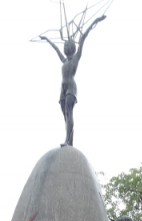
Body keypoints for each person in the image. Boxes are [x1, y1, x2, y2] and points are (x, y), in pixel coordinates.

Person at [39, 14, 105, 146]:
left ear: (72, 48)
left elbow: (83, 37)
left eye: (69, 45)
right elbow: (55, 49)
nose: (66, 47)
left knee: (69, 113)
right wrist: (47, 40)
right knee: (65, 116)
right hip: (62, 89)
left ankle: (67, 140)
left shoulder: (76, 58)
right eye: (65, 45)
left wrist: (95, 21)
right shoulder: (64, 61)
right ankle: (70, 139)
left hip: (71, 88)